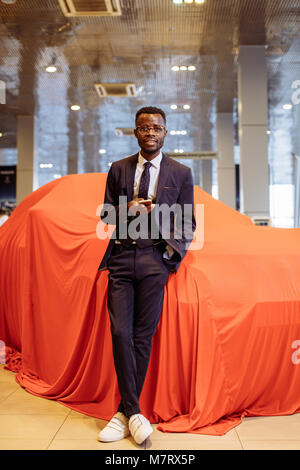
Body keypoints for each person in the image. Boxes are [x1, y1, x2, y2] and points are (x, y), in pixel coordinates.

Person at [98, 106, 196, 445]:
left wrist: (169, 256)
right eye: (143, 127)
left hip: (155, 259)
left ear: (165, 132)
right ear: (135, 132)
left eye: (156, 127)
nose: (150, 132)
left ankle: (124, 414)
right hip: (122, 259)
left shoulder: (181, 173)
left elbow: (187, 223)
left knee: (143, 336)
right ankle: (133, 412)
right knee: (120, 331)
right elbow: (106, 214)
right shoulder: (119, 168)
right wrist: (129, 210)